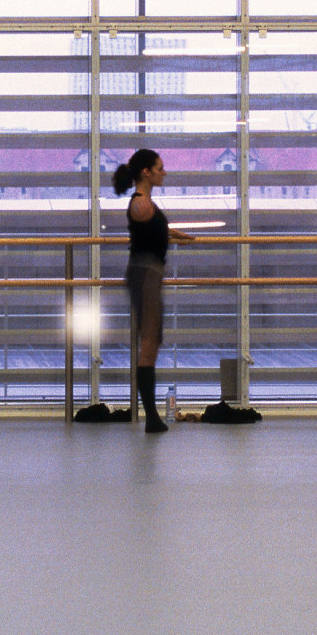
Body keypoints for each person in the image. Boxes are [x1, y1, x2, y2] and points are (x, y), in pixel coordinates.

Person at [110, 145, 191, 431]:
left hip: (147, 275)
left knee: (152, 341)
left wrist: (170, 232)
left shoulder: (145, 202)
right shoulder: (142, 203)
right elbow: (144, 231)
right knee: (149, 344)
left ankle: (152, 417)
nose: (164, 172)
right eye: (159, 168)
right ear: (146, 172)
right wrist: (166, 233)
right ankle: (152, 419)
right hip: (145, 276)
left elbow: (147, 232)